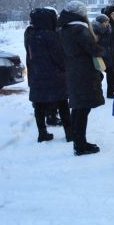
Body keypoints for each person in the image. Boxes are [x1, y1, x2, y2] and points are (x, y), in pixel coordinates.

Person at [57, 1, 105, 156]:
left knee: (79, 108)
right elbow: (92, 48)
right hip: (84, 73)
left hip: (74, 72)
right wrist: (101, 48)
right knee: (83, 109)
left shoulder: (65, 28)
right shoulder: (79, 29)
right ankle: (80, 144)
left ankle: (79, 141)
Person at [25, 8, 71, 143]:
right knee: (63, 105)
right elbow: (59, 57)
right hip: (54, 76)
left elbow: (30, 57)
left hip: (37, 75)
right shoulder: (51, 36)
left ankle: (42, 133)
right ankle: (69, 133)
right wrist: (64, 68)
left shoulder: (31, 35)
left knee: (39, 105)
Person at [92, 14, 114, 99]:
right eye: (105, 22)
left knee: (111, 73)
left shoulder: (108, 29)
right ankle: (95, 93)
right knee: (98, 76)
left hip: (107, 54)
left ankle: (110, 92)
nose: (107, 23)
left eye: (107, 21)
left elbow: (109, 43)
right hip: (98, 56)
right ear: (100, 22)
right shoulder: (94, 30)